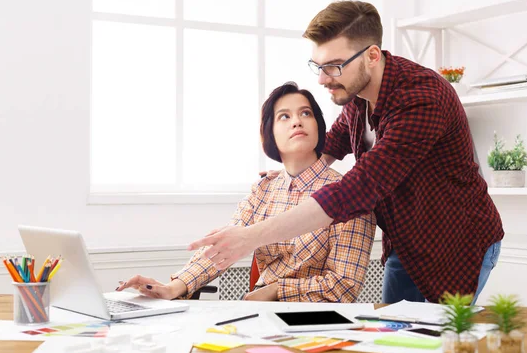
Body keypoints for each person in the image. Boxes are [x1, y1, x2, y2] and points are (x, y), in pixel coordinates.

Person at [189, 1, 504, 305]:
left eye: (334, 67)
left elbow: (359, 189)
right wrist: (292, 175)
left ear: (371, 55)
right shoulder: (357, 94)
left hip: (456, 243)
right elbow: (331, 145)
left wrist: (248, 238)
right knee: (393, 343)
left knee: (438, 344)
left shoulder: (421, 99)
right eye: (319, 66)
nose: (323, 79)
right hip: (406, 245)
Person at [116, 82, 376, 302]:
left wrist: (274, 291)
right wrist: (173, 287)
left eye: (306, 113)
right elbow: (225, 247)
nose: (297, 121)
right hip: (259, 315)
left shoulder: (348, 194)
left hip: (319, 324)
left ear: (319, 125)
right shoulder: (263, 190)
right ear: (270, 134)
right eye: (284, 116)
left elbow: (343, 285)